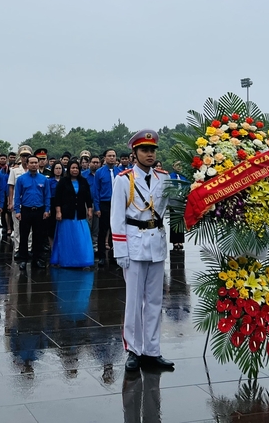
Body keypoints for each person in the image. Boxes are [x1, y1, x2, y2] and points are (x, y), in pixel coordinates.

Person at [111, 130, 173, 372]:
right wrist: (121, 251)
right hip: (134, 243)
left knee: (155, 301)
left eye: (152, 150)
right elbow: (116, 218)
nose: (150, 154)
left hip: (156, 242)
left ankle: (152, 350)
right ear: (134, 153)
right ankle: (134, 350)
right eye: (145, 150)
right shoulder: (123, 180)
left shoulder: (163, 178)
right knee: (134, 302)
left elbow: (172, 207)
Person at [52, 159, 95, 268]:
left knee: (82, 237)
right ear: (69, 169)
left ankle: (83, 260)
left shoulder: (83, 181)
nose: (75, 170)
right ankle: (67, 261)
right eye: (72, 168)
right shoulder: (63, 181)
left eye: (76, 168)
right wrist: (58, 211)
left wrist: (90, 209)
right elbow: (58, 198)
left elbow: (88, 197)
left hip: (80, 214)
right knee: (67, 239)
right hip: (66, 214)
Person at [13, 155, 51, 269]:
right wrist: (17, 210)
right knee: (24, 235)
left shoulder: (44, 179)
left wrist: (47, 209)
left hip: (39, 210)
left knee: (38, 236)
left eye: (36, 163)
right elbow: (17, 196)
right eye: (32, 163)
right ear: (27, 164)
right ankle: (23, 259)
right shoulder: (21, 179)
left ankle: (37, 259)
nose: (34, 165)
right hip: (26, 210)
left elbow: (47, 195)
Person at [92, 149, 119, 265]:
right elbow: (96, 190)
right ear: (105, 158)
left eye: (113, 156)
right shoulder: (99, 172)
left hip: (117, 204)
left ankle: (115, 255)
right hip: (104, 203)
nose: (112, 158)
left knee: (116, 230)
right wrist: (97, 208)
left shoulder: (121, 171)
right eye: (109, 156)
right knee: (103, 231)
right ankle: (102, 256)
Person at [7, 145, 33, 259]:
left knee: (30, 228)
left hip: (30, 202)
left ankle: (29, 248)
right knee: (17, 227)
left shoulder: (33, 171)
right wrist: (10, 202)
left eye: (27, 156)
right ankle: (18, 248)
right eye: (23, 156)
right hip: (17, 202)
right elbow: (11, 187)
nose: (25, 158)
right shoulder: (14, 171)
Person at [168, 161, 188, 253]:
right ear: (173, 166)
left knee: (181, 223)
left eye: (180, 166)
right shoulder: (169, 176)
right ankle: (174, 241)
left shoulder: (185, 177)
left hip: (182, 203)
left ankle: (180, 241)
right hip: (173, 202)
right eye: (177, 165)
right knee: (174, 222)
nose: (179, 167)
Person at [46, 162, 64, 252]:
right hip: (52, 204)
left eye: (60, 168)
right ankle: (52, 248)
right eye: (56, 168)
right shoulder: (49, 181)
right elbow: (47, 195)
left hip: (63, 204)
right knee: (51, 227)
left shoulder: (65, 181)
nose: (58, 170)